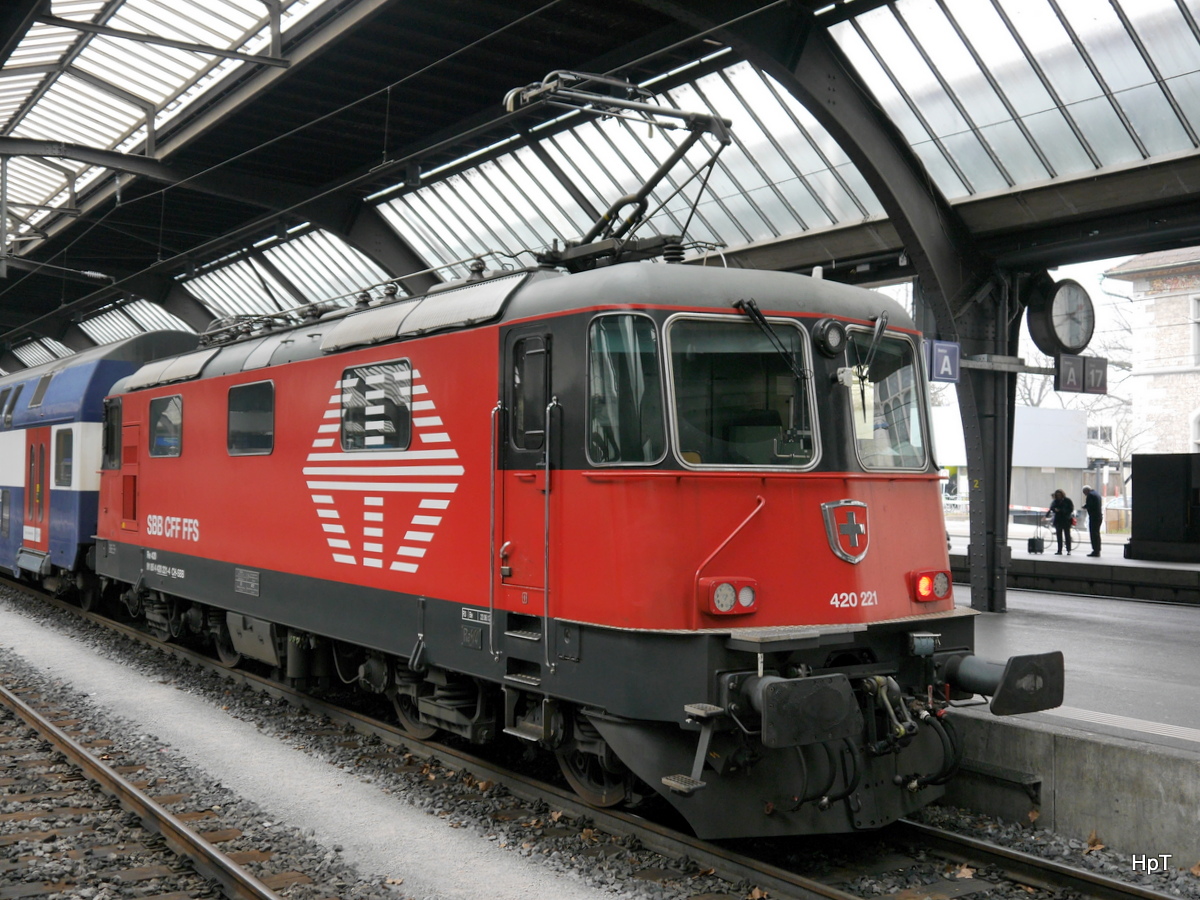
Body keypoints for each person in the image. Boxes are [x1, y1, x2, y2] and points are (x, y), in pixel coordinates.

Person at [1045, 488, 1074, 555]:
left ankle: (1068, 550)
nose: (1058, 496)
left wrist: (1063, 511)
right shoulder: (1055, 501)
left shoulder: (1067, 500)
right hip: (1058, 520)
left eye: (1059, 495)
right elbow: (1051, 508)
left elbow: (1071, 508)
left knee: (1067, 535)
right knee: (1059, 536)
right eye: (1057, 495)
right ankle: (1059, 550)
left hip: (1066, 519)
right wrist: (1055, 510)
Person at [1082, 485, 1103, 557]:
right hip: (1099, 516)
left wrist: (1085, 506)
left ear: (1086, 491)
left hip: (1094, 517)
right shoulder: (1097, 494)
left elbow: (1090, 505)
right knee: (1097, 534)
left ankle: (1095, 550)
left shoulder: (1090, 495)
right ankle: (1098, 550)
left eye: (1084, 493)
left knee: (1093, 534)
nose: (1085, 495)